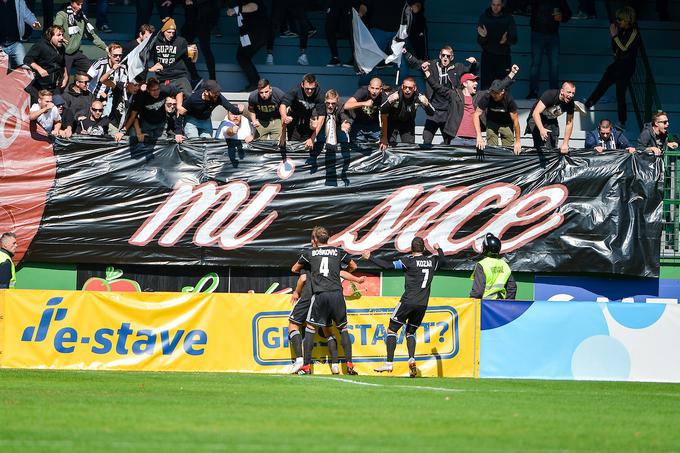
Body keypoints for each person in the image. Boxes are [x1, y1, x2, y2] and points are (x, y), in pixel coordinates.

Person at [362, 237, 444, 377]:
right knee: (410, 332)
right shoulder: (432, 262)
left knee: (392, 329)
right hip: (422, 304)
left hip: (408, 301)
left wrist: (371, 257)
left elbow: (387, 266)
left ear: (411, 249)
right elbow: (443, 260)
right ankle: (411, 358)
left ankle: (388, 363)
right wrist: (438, 249)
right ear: (423, 249)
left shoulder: (408, 261)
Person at [291, 226, 358, 375]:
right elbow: (354, 265)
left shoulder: (310, 253)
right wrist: (339, 274)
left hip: (320, 294)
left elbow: (295, 269)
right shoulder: (338, 251)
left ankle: (306, 367)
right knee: (343, 329)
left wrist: (311, 269)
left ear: (315, 240)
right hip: (337, 294)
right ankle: (350, 365)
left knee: (310, 328)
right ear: (328, 238)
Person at [288, 268, 366, 374]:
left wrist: (296, 292)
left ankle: (302, 362)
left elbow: (300, 275)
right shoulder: (332, 260)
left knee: (298, 326)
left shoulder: (310, 258)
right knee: (331, 331)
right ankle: (337, 365)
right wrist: (357, 279)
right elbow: (349, 268)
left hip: (312, 297)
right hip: (330, 297)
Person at [425, 66, 517, 147]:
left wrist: (512, 74)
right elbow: (437, 87)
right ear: (465, 84)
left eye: (476, 81)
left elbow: (498, 87)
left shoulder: (480, 95)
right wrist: (427, 73)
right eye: (473, 81)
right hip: (457, 139)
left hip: (474, 140)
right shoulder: (454, 94)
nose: (476, 83)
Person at [405, 47, 477, 145]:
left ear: (452, 57)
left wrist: (474, 63)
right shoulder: (432, 65)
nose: (445, 58)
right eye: (443, 55)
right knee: (426, 140)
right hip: (433, 111)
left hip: (448, 112)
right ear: (440, 56)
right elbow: (416, 63)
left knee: (448, 141)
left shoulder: (457, 67)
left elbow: (470, 72)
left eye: (448, 56)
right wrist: (406, 53)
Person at [583, 7, 640, 131]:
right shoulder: (623, 31)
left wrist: (614, 35)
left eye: (620, 19)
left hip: (627, 66)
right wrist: (615, 40)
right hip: (618, 64)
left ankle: (622, 121)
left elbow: (624, 47)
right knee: (603, 83)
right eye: (617, 19)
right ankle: (588, 104)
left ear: (627, 19)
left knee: (620, 93)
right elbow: (617, 47)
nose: (618, 22)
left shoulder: (633, 32)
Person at [526, 0, 571, 99]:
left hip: (552, 34)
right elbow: (524, 5)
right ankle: (533, 91)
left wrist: (561, 17)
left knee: (554, 65)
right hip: (537, 33)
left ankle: (554, 93)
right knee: (536, 64)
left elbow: (568, 14)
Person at [474, 67, 522, 154]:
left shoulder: (509, 100)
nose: (494, 95)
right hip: (492, 123)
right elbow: (476, 114)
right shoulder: (487, 97)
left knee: (509, 150)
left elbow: (515, 121)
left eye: (496, 93)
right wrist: (479, 136)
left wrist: (518, 141)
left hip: (506, 124)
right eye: (492, 92)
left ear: (502, 92)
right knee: (492, 150)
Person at [120, 77, 183, 142]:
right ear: (148, 90)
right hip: (147, 124)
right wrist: (124, 131)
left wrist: (179, 106)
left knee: (161, 144)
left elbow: (178, 92)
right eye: (153, 90)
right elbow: (133, 115)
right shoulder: (142, 96)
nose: (156, 92)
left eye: (157, 89)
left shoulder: (164, 89)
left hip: (161, 123)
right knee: (147, 145)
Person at [379, 76, 434, 150]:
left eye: (410, 88)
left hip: (407, 123)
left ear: (414, 88)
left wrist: (426, 104)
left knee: (409, 147)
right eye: (405, 87)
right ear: (402, 86)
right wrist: (389, 101)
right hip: (392, 122)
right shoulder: (395, 93)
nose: (407, 90)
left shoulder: (418, 96)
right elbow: (382, 110)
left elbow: (432, 113)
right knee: (389, 145)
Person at [53, 0, 108, 74]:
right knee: (64, 80)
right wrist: (60, 37)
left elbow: (92, 35)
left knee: (93, 72)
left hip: (76, 52)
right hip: (63, 53)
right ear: (71, 3)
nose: (80, 7)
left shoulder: (82, 17)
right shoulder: (62, 14)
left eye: (82, 4)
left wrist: (105, 47)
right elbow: (55, 29)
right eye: (78, 4)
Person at [228, 0, 269, 91]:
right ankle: (255, 83)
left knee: (242, 56)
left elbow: (253, 6)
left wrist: (236, 10)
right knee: (242, 56)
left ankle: (255, 83)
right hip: (248, 35)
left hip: (256, 33)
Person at [148, 17, 194, 98]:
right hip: (162, 78)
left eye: (173, 32)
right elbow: (144, 56)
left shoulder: (181, 41)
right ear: (163, 31)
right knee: (157, 98)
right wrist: (150, 69)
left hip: (180, 77)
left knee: (189, 97)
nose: (171, 35)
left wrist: (194, 53)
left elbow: (192, 59)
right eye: (169, 32)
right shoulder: (155, 41)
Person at [525, 81, 577, 153]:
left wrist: (565, 143)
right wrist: (541, 129)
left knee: (552, 146)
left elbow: (569, 123)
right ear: (562, 91)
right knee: (540, 146)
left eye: (573, 93)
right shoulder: (550, 95)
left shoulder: (570, 103)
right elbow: (535, 113)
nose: (571, 95)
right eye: (569, 92)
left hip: (551, 119)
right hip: (536, 118)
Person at [477, 0, 518, 90]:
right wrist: (483, 37)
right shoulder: (484, 18)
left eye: (498, 5)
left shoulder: (509, 18)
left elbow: (514, 39)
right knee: (486, 86)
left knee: (503, 85)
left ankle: (502, 104)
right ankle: (485, 104)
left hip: (503, 56)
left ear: (502, 5)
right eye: (493, 5)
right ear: (490, 5)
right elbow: (479, 40)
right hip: (488, 56)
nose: (495, 7)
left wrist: (506, 40)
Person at [23, 25, 67, 104]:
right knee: (39, 108)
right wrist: (39, 69)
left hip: (53, 86)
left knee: (60, 105)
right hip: (38, 86)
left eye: (62, 35)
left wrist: (65, 76)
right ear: (50, 36)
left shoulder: (61, 48)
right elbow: (27, 59)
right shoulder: (40, 45)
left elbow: (62, 63)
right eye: (58, 35)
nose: (62, 38)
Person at [280, 73, 324, 147]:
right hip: (294, 118)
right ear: (302, 85)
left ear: (316, 85)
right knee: (293, 144)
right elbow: (283, 105)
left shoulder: (320, 94)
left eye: (312, 89)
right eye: (307, 88)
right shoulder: (295, 90)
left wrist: (312, 139)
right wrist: (283, 134)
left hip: (308, 119)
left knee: (307, 144)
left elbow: (322, 117)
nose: (310, 91)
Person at [469, 233, 517, 300]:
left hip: (486, 305)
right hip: (501, 304)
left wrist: (472, 303)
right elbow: (512, 288)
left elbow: (478, 291)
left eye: (482, 246)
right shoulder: (504, 264)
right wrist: (507, 304)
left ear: (485, 248)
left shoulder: (482, 264)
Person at [343, 77, 386, 145]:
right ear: (369, 87)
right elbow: (346, 105)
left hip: (373, 127)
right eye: (372, 88)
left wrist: (384, 137)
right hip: (358, 124)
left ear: (381, 89)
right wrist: (363, 103)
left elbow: (384, 118)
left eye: (377, 89)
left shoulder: (383, 97)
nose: (374, 91)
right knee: (358, 149)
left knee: (376, 148)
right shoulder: (363, 91)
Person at [87, 43, 128, 114]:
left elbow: (122, 85)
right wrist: (112, 69)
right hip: (93, 96)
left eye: (120, 55)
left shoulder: (123, 67)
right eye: (115, 55)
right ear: (109, 54)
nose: (118, 58)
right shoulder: (100, 63)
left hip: (109, 99)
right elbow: (87, 78)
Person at [0, 0, 40, 70]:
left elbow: (27, 14)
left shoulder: (18, 1)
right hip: (0, 46)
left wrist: (34, 23)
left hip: (15, 44)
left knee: (25, 67)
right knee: (3, 72)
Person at [324, 0, 354, 67]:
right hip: (334, 4)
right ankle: (335, 57)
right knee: (329, 28)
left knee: (350, 28)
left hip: (349, 4)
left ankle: (355, 58)